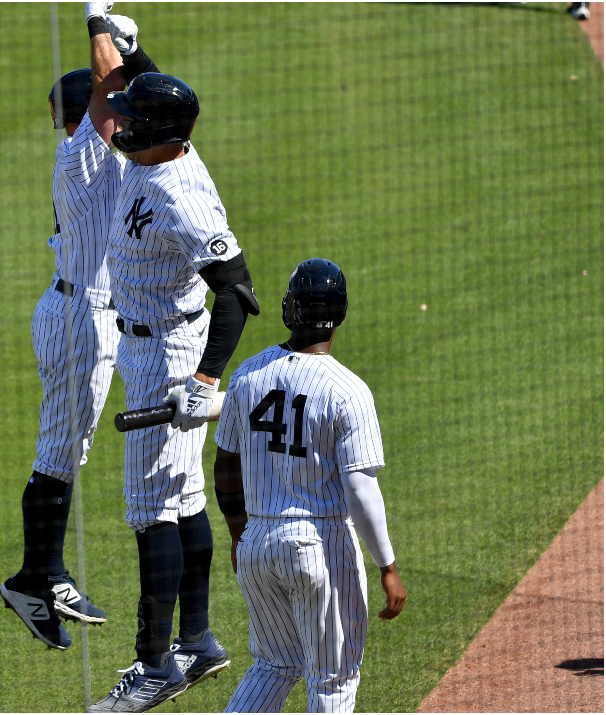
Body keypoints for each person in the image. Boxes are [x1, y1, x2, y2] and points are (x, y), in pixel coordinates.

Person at [81, 1, 263, 710]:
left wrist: (203, 378)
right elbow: (147, 86)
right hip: (147, 343)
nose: (118, 120)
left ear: (156, 134)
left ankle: (153, 664)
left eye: (129, 117)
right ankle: (200, 641)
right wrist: (127, 42)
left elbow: (238, 291)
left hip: (171, 356)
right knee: (184, 499)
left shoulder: (183, 199)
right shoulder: (164, 140)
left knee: (149, 510)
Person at [0, 11, 164, 650]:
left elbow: (137, 91)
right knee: (57, 452)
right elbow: (109, 82)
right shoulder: (84, 156)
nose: (125, 113)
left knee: (68, 451)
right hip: (80, 317)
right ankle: (31, 579)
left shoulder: (99, 157)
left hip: (85, 313)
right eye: (114, 107)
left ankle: (48, 571)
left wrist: (131, 45)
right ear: (92, 113)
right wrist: (100, 21)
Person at [214, 259, 406, 713]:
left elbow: (225, 465)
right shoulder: (347, 391)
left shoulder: (248, 374)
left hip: (258, 542)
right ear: (339, 313)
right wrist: (387, 565)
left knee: (273, 665)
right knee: (332, 680)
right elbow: (360, 491)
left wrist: (240, 533)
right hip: (319, 545)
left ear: (289, 309)